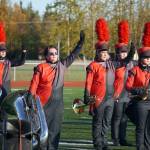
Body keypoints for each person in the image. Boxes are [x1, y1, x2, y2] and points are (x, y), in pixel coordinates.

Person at [28, 30, 85, 150]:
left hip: (57, 106)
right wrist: (30, 99)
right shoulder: (41, 67)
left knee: (55, 133)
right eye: (51, 53)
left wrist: (80, 44)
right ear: (46, 56)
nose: (54, 55)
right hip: (43, 105)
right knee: (42, 133)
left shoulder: (62, 65)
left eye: (55, 53)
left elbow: (73, 55)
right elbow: (34, 85)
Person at [84, 18, 115, 150]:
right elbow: (88, 82)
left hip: (110, 98)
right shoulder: (93, 66)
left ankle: (104, 142)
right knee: (97, 122)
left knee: (107, 122)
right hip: (98, 98)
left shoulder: (111, 64)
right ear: (97, 53)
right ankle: (97, 143)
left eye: (106, 52)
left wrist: (131, 52)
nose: (104, 54)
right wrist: (86, 95)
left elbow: (126, 61)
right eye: (102, 52)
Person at [0, 22, 27, 149]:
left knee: (4, 115)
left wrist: (24, 51)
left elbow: (21, 61)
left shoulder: (8, 63)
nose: (2, 53)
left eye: (4, 51)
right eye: (1, 51)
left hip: (5, 92)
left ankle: (3, 135)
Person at [111, 20, 136, 146]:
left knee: (124, 119)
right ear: (117, 53)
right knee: (116, 118)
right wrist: (132, 49)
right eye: (121, 52)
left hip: (128, 96)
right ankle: (115, 140)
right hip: (117, 95)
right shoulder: (116, 63)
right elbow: (129, 57)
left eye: (125, 52)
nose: (123, 54)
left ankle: (123, 139)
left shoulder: (130, 63)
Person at [126, 22, 150, 150]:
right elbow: (128, 86)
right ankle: (140, 147)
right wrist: (140, 90)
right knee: (140, 127)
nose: (148, 60)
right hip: (140, 102)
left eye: (149, 58)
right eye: (146, 58)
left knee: (148, 128)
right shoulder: (134, 70)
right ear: (141, 58)